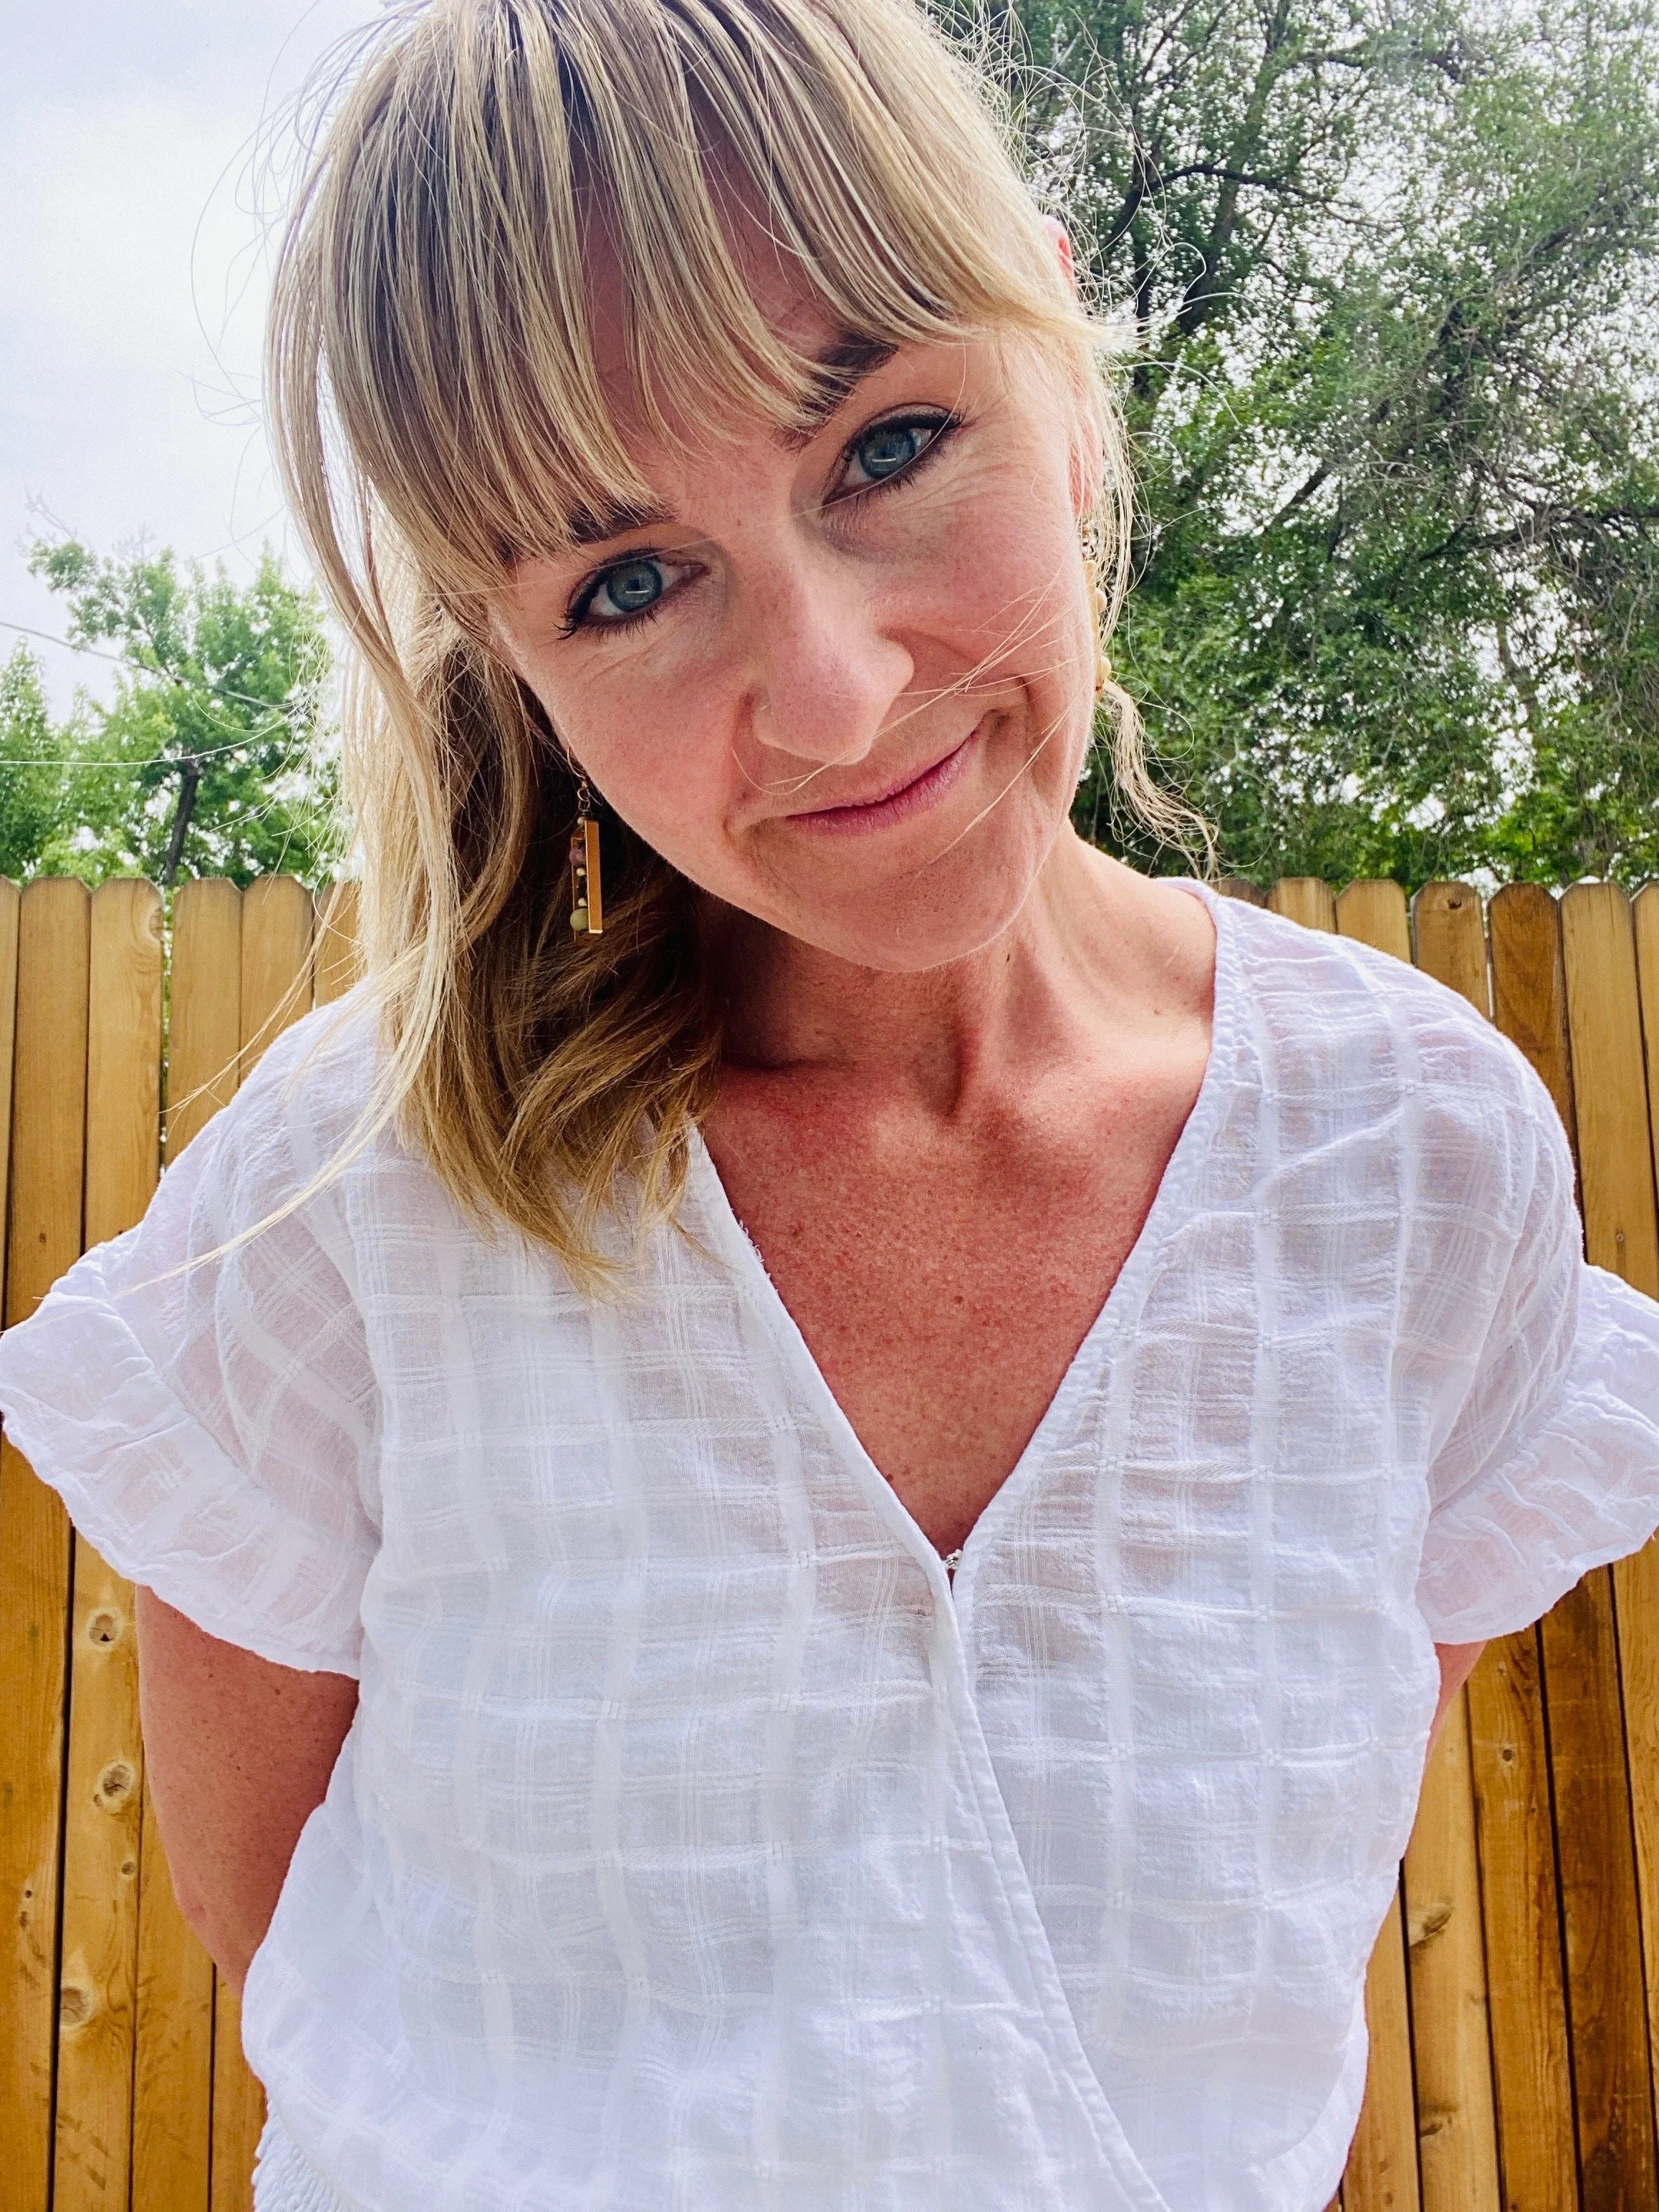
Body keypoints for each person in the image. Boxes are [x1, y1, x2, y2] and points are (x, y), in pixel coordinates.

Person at [3, 1, 1658, 2206]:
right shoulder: (343, 1206)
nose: (832, 694)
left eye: (886, 445)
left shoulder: (1418, 1164)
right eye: (623, 581)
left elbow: (1255, 1934)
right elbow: (279, 1932)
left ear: (1059, 370)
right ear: (515, 663)